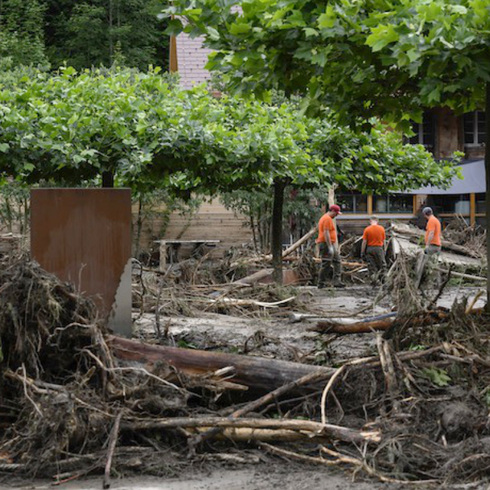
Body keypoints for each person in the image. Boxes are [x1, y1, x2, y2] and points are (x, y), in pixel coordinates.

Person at [316, 204, 345, 288]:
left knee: (337, 261)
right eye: (336, 213)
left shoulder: (325, 218)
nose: (336, 215)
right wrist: (329, 247)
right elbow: (326, 233)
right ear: (332, 211)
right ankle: (321, 283)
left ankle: (336, 281)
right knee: (326, 263)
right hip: (326, 244)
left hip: (329, 243)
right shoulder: (327, 219)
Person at [415, 207, 442, 288]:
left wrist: (427, 245)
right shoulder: (436, 220)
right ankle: (438, 284)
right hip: (437, 245)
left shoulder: (431, 221)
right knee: (434, 265)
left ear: (424, 214)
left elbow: (431, 233)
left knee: (422, 259)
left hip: (433, 246)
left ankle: (417, 282)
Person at [360, 215, 387, 284]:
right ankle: (384, 280)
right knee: (382, 265)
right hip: (379, 248)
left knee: (372, 265)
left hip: (370, 248)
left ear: (370, 221)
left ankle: (374, 280)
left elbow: (364, 242)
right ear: (377, 221)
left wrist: (362, 252)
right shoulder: (382, 229)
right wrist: (384, 250)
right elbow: (384, 241)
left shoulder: (367, 229)